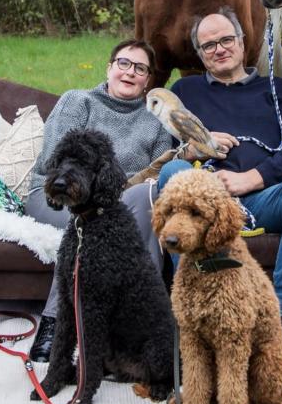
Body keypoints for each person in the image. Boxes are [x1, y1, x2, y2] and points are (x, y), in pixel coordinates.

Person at [158, 7, 282, 375]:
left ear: (242, 43)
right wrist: (191, 150)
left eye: (226, 40)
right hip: (205, 205)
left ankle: (279, 324)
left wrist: (251, 178)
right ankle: (195, 315)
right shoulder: (185, 91)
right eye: (208, 45)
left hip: (266, 197)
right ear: (200, 54)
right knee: (175, 174)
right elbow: (164, 153)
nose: (219, 49)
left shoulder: (279, 91)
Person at [26, 39, 173, 361]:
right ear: (109, 68)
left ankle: (135, 325)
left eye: (140, 68)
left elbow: (154, 177)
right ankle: (53, 324)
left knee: (140, 201)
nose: (130, 72)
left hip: (116, 205)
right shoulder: (78, 102)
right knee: (90, 230)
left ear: (149, 80)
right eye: (123, 63)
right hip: (55, 196)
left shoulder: (155, 123)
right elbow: (55, 163)